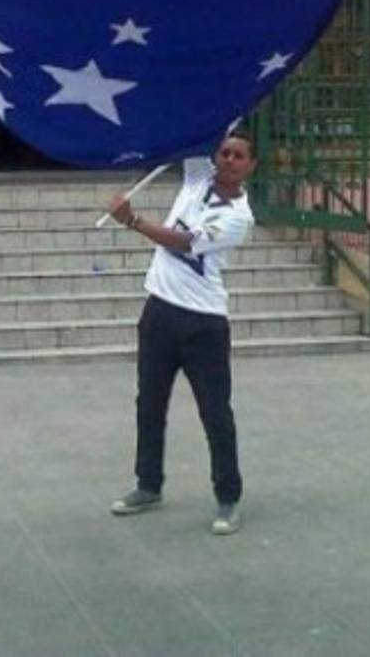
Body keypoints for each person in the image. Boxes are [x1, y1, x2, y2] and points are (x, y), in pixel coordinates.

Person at [107, 130, 257, 535]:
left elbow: (185, 243)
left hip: (204, 322)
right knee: (149, 404)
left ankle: (228, 497)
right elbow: (195, 125)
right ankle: (148, 484)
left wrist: (133, 221)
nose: (228, 159)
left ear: (250, 166)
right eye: (224, 152)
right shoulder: (197, 179)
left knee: (215, 413)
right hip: (159, 312)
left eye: (238, 155)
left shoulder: (239, 216)